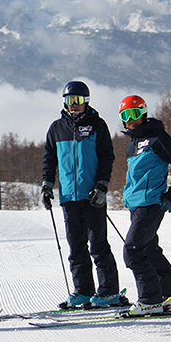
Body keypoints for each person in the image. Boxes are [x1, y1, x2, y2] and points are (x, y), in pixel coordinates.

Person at [41, 81, 123, 309]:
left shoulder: (97, 125)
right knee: (76, 247)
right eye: (69, 101)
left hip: (92, 196)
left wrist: (102, 186)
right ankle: (83, 291)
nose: (73, 105)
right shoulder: (57, 128)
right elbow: (49, 158)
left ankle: (108, 292)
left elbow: (107, 157)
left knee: (98, 245)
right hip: (69, 196)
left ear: (86, 101)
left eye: (77, 101)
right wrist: (47, 185)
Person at [119, 95, 171, 315]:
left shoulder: (158, 139)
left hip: (151, 203)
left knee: (133, 251)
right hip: (136, 205)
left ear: (143, 113)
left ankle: (150, 300)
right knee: (149, 250)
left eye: (134, 114)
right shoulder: (132, 146)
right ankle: (170, 296)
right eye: (125, 115)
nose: (130, 120)